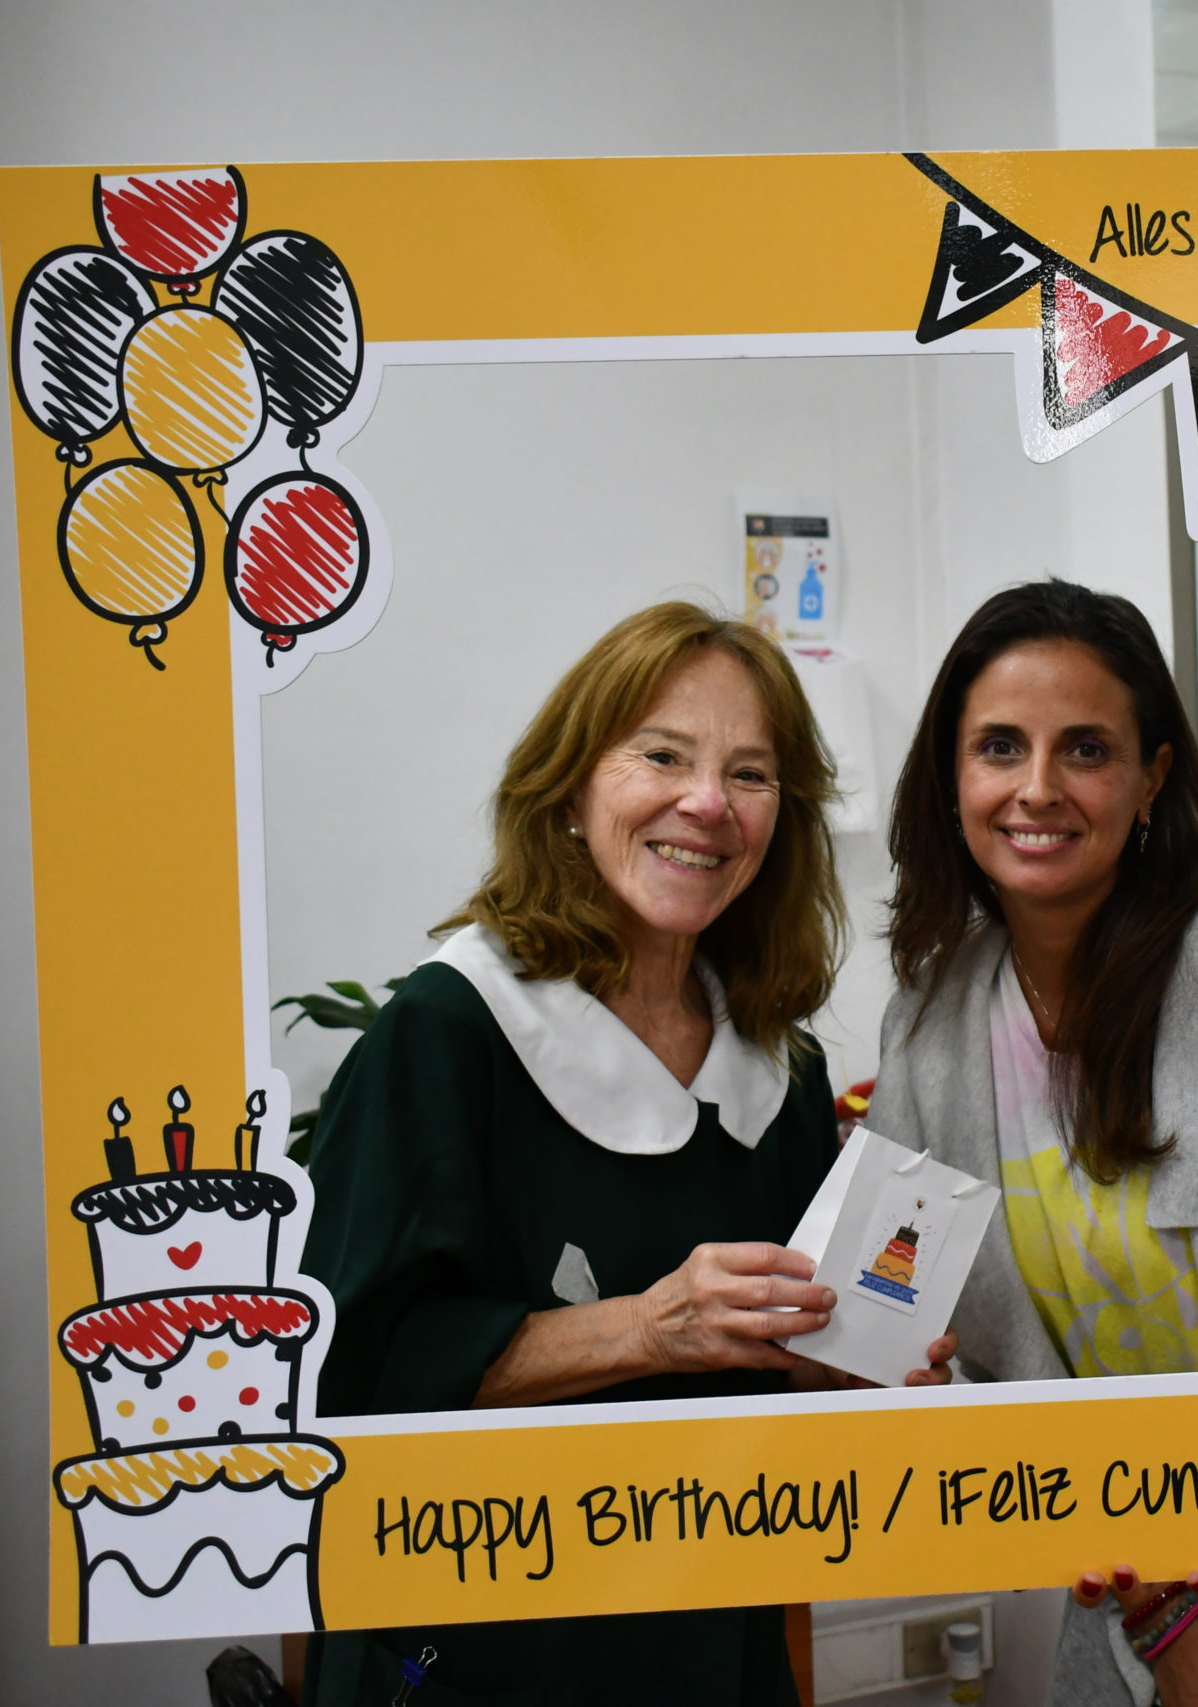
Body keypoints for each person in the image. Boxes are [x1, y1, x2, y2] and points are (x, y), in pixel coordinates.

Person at [298, 603, 952, 1707]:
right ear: (569, 789)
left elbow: (774, 1367)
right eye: (662, 755)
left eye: (750, 775)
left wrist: (844, 1361)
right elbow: (344, 1370)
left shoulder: (778, 1067)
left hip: (713, 1639)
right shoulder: (448, 1034)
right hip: (476, 1659)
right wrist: (647, 1326)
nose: (708, 803)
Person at [866, 580, 1198, 1707]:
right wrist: (1164, 1615)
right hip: (1120, 1622)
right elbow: (900, 1332)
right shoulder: (925, 1017)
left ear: (1152, 776)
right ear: (951, 777)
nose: (1037, 788)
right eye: (999, 747)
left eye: (1086, 749)